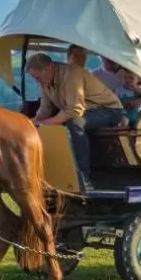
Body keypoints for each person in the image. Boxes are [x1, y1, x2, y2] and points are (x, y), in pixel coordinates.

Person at [25, 52, 126, 191]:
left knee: (75, 123)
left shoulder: (71, 76)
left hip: (109, 110)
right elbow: (45, 109)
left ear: (48, 68)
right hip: (86, 111)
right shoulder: (45, 81)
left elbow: (74, 110)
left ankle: (83, 178)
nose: (37, 81)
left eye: (37, 77)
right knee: (55, 123)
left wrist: (46, 123)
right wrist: (31, 123)